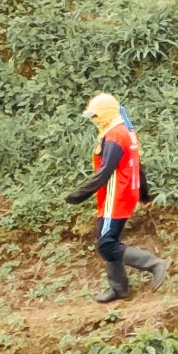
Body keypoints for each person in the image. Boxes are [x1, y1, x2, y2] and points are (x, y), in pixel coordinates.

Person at [68, 91, 161, 301]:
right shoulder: (125, 131)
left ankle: (154, 264)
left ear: (106, 115)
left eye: (96, 116)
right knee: (105, 237)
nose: (93, 120)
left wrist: (79, 195)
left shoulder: (114, 136)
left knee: (107, 244)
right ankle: (119, 288)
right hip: (125, 192)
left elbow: (104, 172)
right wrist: (144, 195)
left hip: (115, 196)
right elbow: (138, 166)